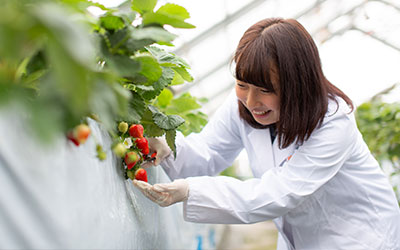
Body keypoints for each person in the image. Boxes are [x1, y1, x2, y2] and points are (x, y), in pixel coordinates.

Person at [133, 17, 400, 249]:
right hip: (301, 238)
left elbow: (279, 192)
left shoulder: (333, 123)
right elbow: (208, 153)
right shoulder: (242, 104)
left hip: (362, 238)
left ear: (297, 84)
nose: (251, 101)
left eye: (266, 89)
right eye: (242, 84)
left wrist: (192, 191)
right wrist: (166, 147)